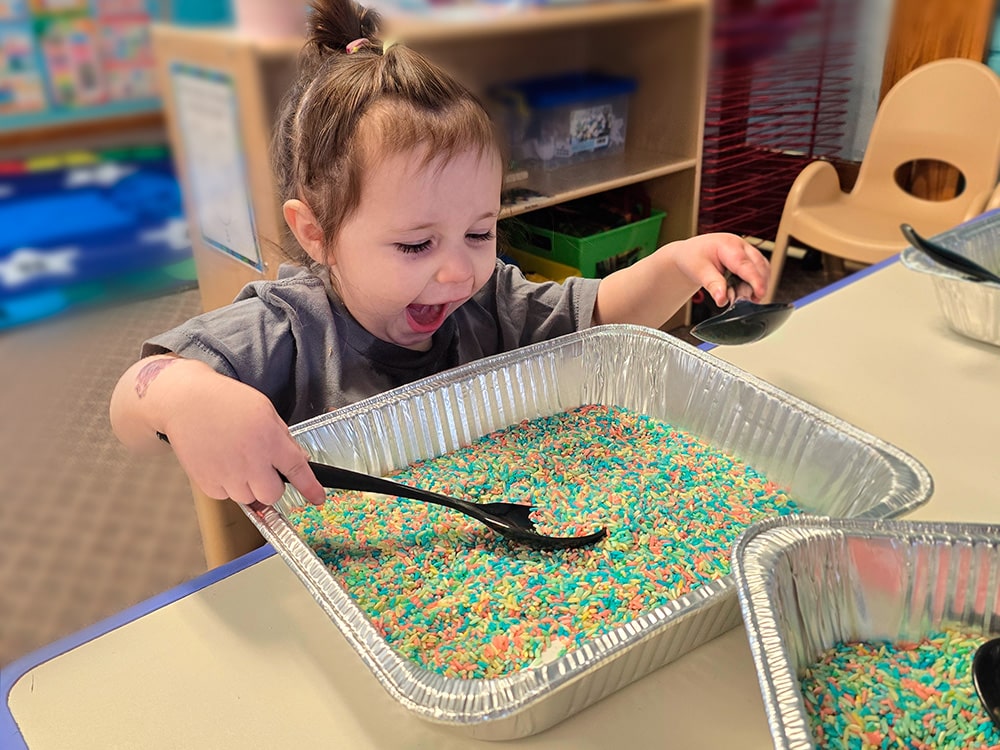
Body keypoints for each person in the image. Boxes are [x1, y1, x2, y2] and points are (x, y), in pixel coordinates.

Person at [110, 0, 773, 511]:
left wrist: (677, 265)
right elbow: (130, 410)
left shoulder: (486, 303)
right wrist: (183, 397)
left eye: (480, 232)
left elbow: (601, 315)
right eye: (416, 244)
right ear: (316, 234)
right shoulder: (289, 326)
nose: (458, 271)